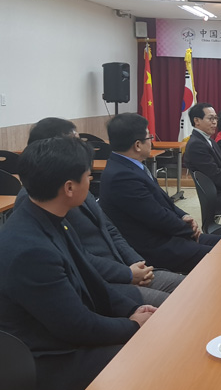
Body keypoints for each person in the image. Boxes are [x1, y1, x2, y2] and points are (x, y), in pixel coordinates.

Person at [0, 136, 155, 390]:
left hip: (61, 336)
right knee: (147, 355)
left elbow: (92, 280)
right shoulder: (30, 250)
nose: (91, 180)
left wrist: (131, 309)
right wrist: (133, 326)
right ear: (69, 187)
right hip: (41, 362)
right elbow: (77, 327)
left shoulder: (51, 219)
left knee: (153, 335)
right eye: (88, 175)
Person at [22, 117, 183, 306]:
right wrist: (127, 274)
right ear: (51, 149)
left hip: (125, 267)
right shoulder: (44, 199)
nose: (82, 148)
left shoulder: (78, 181)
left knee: (189, 287)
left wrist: (137, 263)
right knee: (176, 306)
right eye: (75, 142)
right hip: (100, 283)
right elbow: (78, 257)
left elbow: (110, 229)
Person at [101, 113, 221, 274]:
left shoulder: (131, 166)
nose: (151, 141)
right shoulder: (121, 177)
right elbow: (156, 216)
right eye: (149, 137)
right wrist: (188, 230)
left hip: (170, 235)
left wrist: (183, 216)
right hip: (158, 247)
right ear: (137, 145)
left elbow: (163, 201)